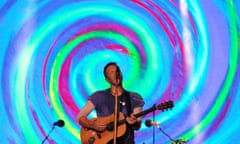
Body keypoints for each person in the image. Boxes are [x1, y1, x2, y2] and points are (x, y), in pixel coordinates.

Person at [77, 62, 144, 144]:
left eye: (117, 71)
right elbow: (80, 118)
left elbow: (137, 126)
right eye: (111, 72)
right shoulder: (99, 96)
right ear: (107, 79)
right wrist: (92, 125)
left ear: (121, 74)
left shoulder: (134, 97)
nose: (115, 73)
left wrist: (134, 123)